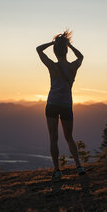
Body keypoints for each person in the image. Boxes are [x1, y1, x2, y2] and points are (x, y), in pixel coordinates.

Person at [36, 30, 85, 180]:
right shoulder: (72, 68)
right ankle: (79, 166)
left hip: (52, 104)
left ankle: (57, 170)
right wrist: (68, 45)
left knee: (53, 138)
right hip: (66, 106)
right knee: (69, 137)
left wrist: (54, 43)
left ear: (56, 52)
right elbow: (81, 57)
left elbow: (38, 49)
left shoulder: (52, 66)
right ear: (66, 51)